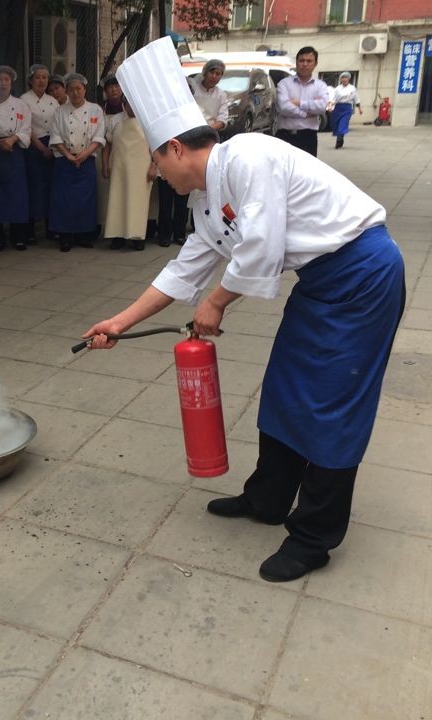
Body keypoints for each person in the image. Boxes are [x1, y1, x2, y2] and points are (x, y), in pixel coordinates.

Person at [86, 37, 405, 583]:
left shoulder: (249, 156)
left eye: (157, 161)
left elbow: (261, 246)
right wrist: (120, 321)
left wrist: (216, 303)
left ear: (176, 150)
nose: (157, 174)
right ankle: (268, 499)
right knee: (285, 388)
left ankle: (313, 537)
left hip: (363, 275)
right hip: (321, 282)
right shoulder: (204, 200)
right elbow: (182, 272)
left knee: (332, 405)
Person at [48, 72, 105, 252]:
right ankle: (65, 236)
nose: (75, 93)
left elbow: (98, 137)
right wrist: (69, 155)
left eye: (78, 89)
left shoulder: (95, 109)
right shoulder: (60, 111)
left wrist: (84, 155)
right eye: (71, 89)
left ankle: (84, 235)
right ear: (67, 91)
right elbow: (55, 137)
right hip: (64, 161)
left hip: (86, 159)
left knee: (85, 199)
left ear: (84, 89)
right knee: (63, 200)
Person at [0, 65, 31, 251]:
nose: (3, 83)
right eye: (0, 80)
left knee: (17, 194)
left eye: (6, 80)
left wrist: (11, 140)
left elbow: (26, 129)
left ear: (12, 83)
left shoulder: (21, 105)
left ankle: (18, 236)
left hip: (14, 151)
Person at [103, 97, 155, 251]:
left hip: (141, 168)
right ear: (124, 104)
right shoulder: (116, 120)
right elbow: (108, 144)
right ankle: (117, 236)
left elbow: (156, 147)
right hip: (119, 166)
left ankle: (137, 236)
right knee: (117, 200)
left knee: (138, 202)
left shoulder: (148, 121)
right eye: (128, 104)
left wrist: (154, 166)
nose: (131, 107)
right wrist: (105, 164)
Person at [20, 64, 60, 244]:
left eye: (45, 77)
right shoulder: (23, 100)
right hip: (33, 146)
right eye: (38, 77)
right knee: (34, 186)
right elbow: (25, 128)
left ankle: (51, 228)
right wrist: (41, 148)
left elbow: (58, 126)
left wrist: (52, 147)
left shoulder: (53, 101)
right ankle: (29, 230)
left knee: (51, 186)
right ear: (30, 80)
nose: (42, 80)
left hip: (53, 145)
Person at [275, 46, 328, 156]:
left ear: (315, 64)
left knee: (307, 171)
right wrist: (305, 113)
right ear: (296, 62)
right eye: (301, 60)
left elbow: (322, 106)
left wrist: (299, 103)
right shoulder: (284, 84)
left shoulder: (320, 86)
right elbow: (283, 107)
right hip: (285, 136)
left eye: (309, 61)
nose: (305, 64)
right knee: (284, 171)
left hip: (308, 137)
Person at [191, 58, 229, 134]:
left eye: (218, 74)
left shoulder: (221, 95)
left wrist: (206, 131)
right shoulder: (192, 89)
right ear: (205, 72)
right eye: (211, 72)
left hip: (210, 133)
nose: (214, 76)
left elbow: (222, 120)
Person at [330, 72, 362, 149]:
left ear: (348, 79)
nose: (344, 79)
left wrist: (360, 109)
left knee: (343, 123)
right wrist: (330, 106)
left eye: (346, 77)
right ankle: (341, 139)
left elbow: (356, 99)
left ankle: (338, 141)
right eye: (343, 78)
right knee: (337, 124)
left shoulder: (352, 88)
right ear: (341, 79)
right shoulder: (337, 89)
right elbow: (333, 99)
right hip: (338, 107)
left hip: (347, 108)